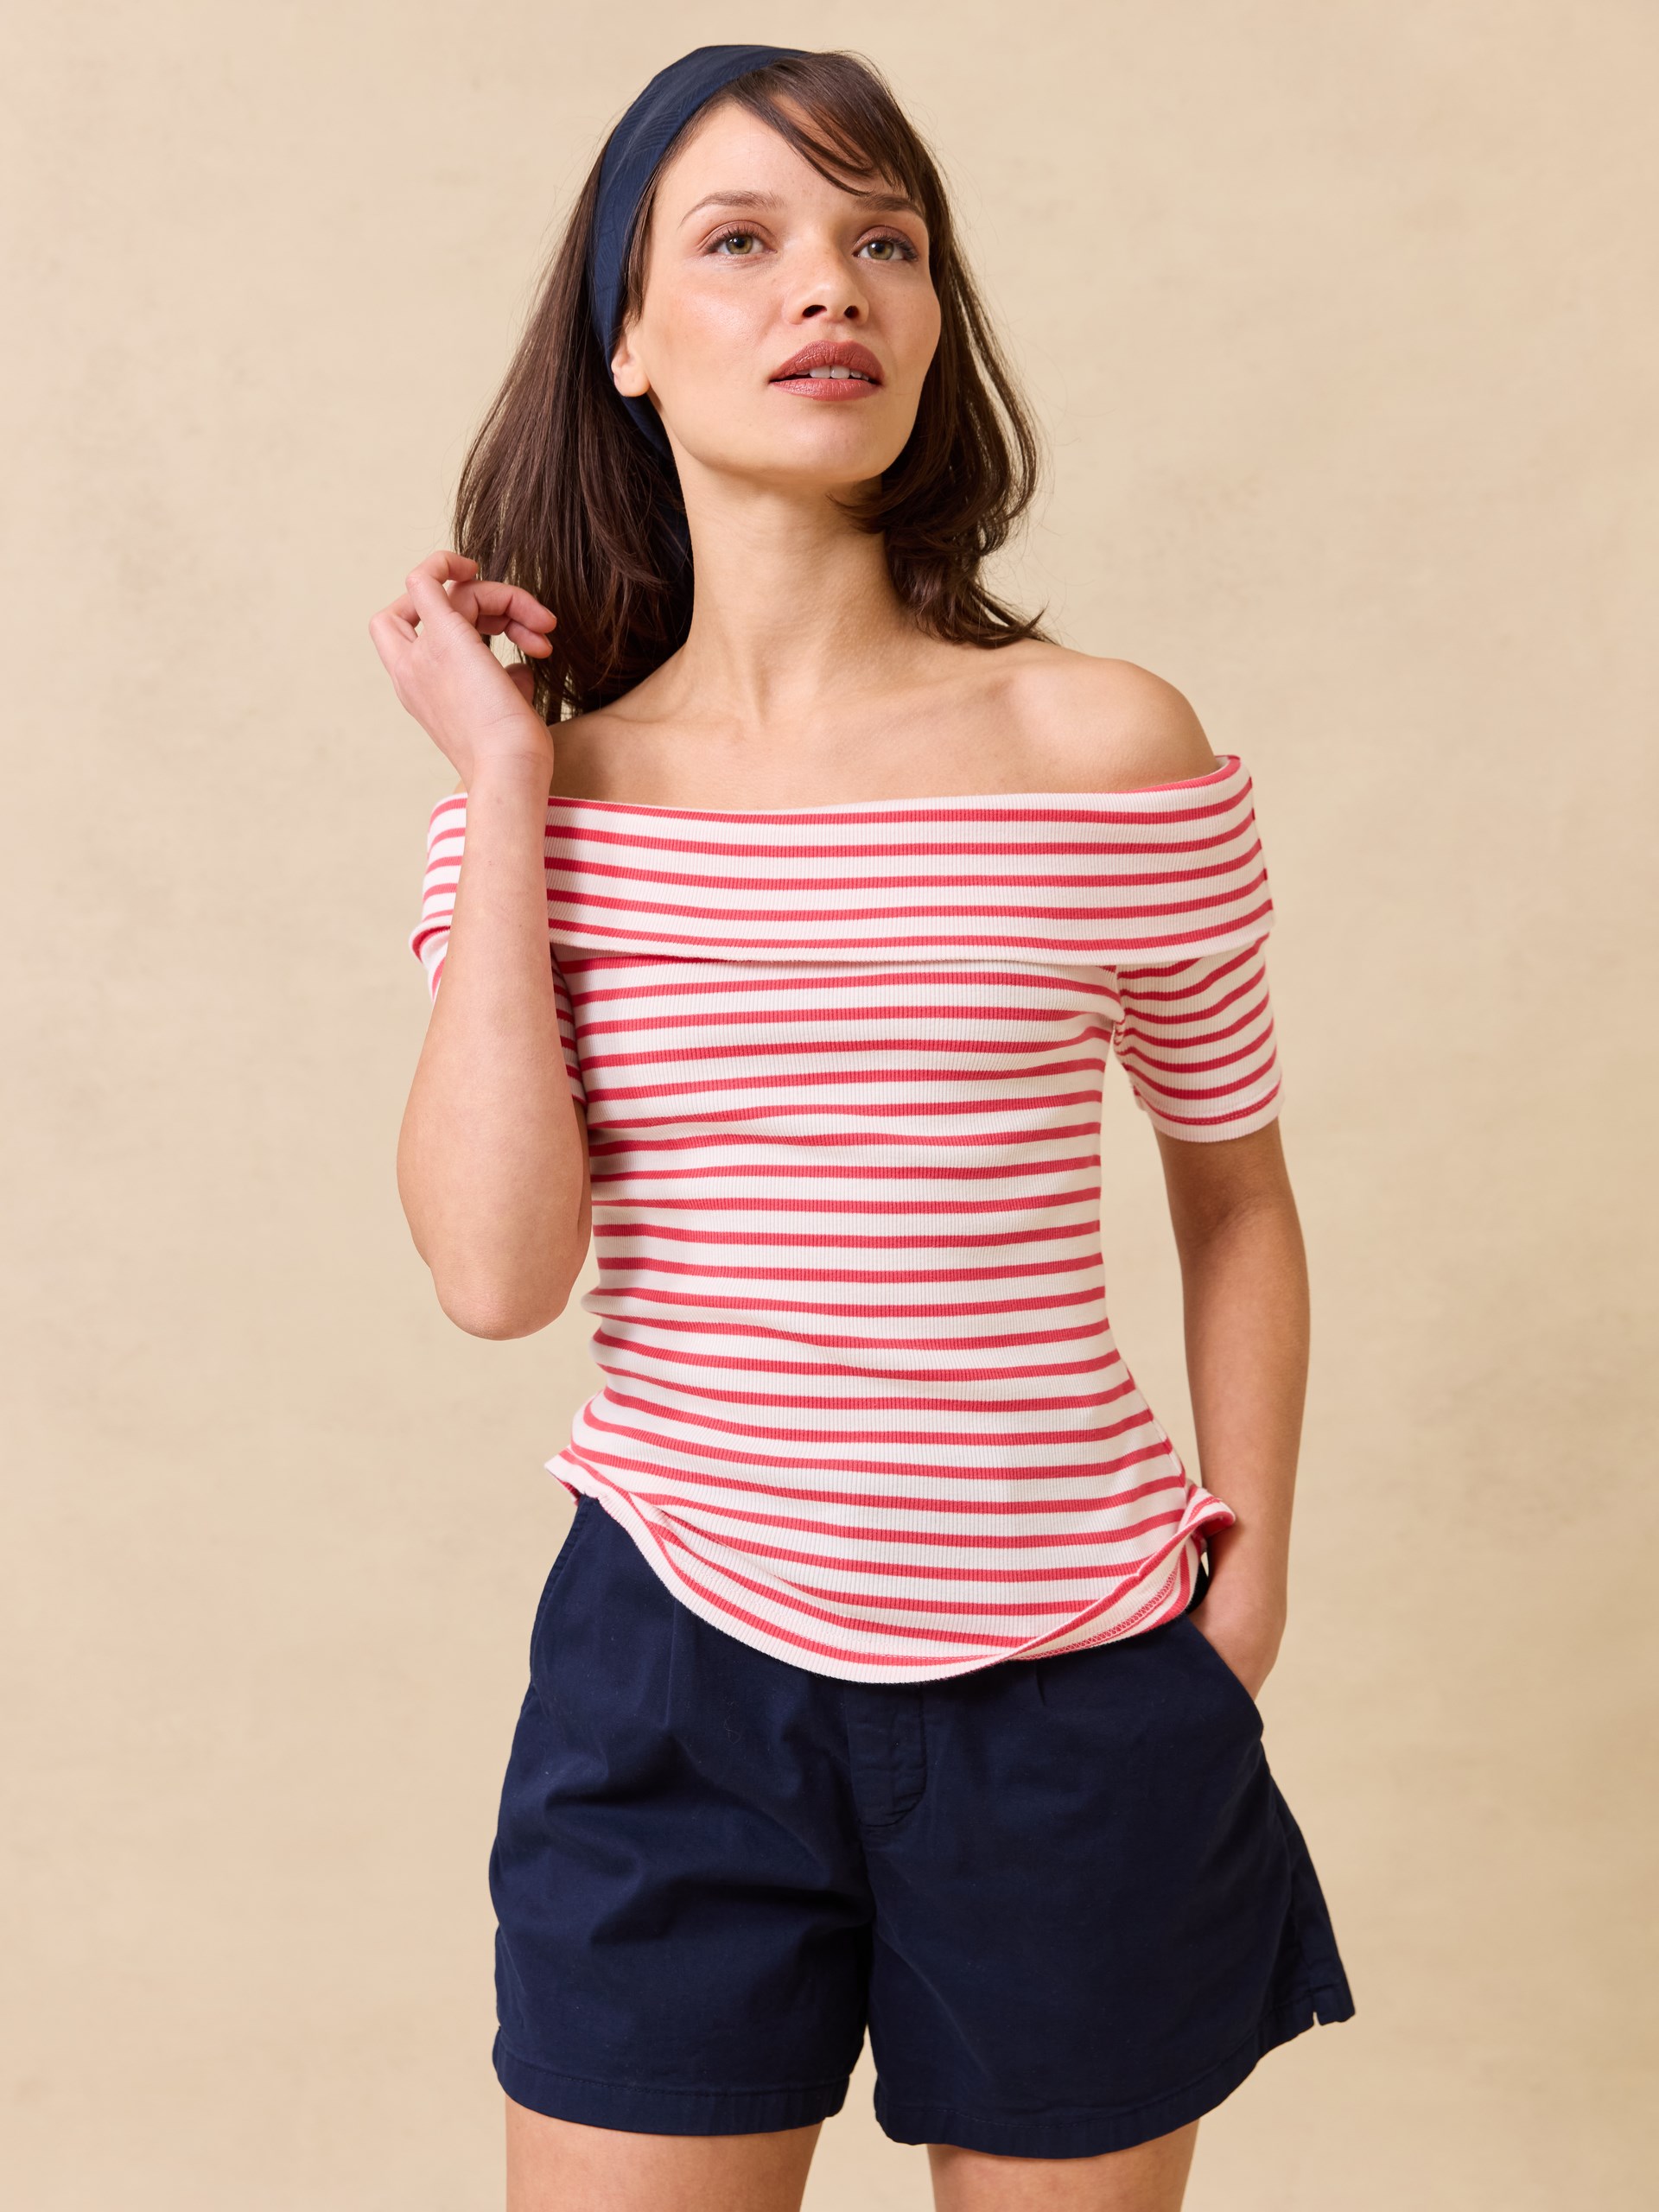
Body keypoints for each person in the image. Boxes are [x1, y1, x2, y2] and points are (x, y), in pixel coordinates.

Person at [369, 43, 1356, 2212]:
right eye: (744, 239)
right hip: (671, 1672)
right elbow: (498, 1276)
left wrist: (1248, 1589)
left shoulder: (1107, 747)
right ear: (627, 337)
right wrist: (511, 776)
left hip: (1081, 1680)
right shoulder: (543, 802)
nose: (835, 285)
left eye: (884, 240)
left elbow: (1236, 1196)